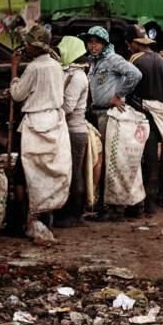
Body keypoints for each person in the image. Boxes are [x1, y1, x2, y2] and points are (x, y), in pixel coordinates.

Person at [9, 24, 70, 230]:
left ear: (36, 47)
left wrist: (15, 70)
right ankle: (45, 215)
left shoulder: (34, 68)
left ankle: (21, 219)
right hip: (53, 121)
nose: (26, 46)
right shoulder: (55, 65)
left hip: (35, 123)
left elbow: (17, 94)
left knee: (23, 172)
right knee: (48, 172)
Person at [127, 27, 163, 217]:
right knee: (152, 159)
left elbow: (129, 89)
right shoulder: (161, 61)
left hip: (138, 115)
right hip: (157, 115)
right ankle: (152, 202)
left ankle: (138, 203)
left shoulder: (135, 61)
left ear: (136, 44)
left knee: (135, 159)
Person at [56, 36, 91, 227]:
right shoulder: (70, 73)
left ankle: (75, 214)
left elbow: (68, 106)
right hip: (70, 129)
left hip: (75, 131)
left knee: (75, 173)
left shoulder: (78, 77)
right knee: (70, 171)